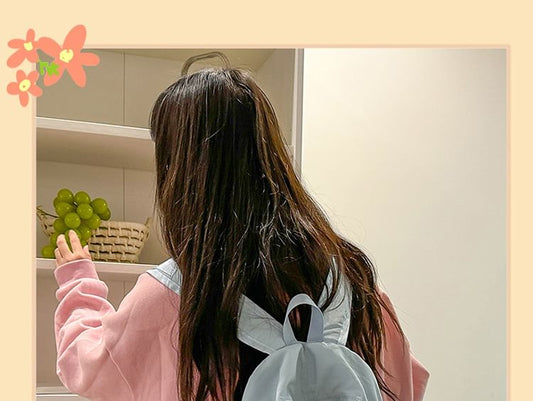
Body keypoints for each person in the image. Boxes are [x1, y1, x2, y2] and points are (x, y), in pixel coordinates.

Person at [52, 67, 430, 401]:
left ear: (178, 168)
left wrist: (78, 281)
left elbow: (91, 367)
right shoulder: (353, 280)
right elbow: (406, 381)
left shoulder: (175, 295)